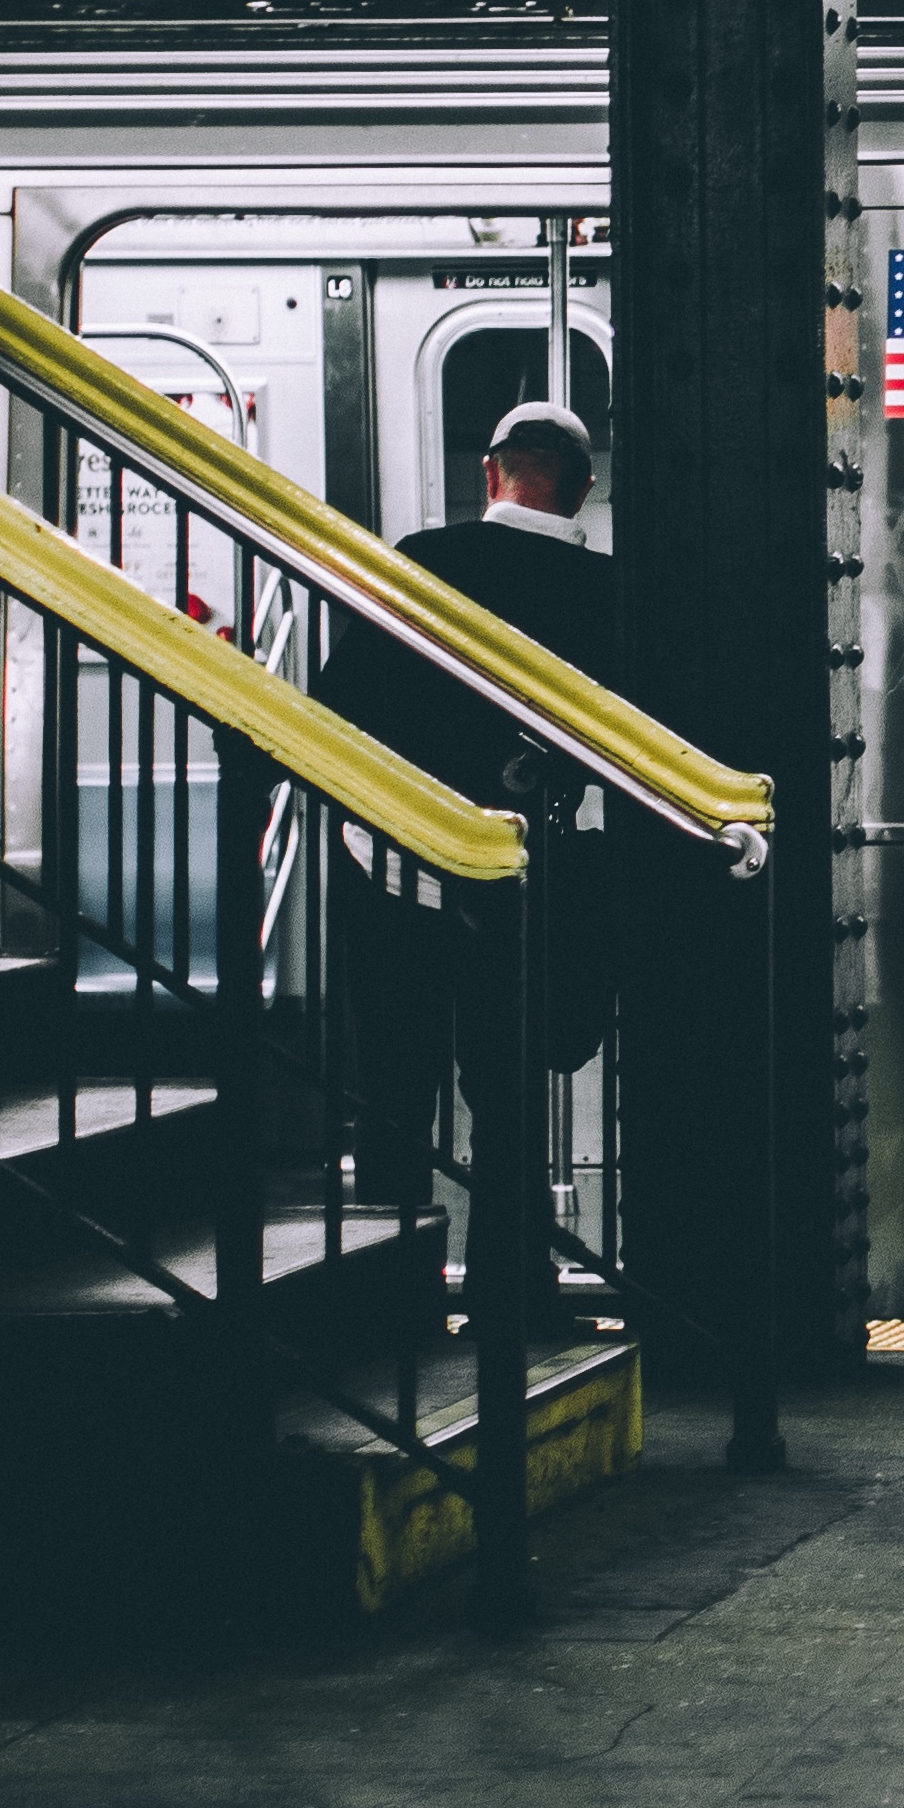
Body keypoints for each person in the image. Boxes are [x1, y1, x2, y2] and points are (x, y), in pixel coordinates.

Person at [331, 399, 631, 1226]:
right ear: (581, 490)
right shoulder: (609, 593)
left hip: (391, 866)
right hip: (523, 880)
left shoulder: (423, 562)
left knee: (393, 1090)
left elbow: (336, 701)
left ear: (489, 471)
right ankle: (520, 1290)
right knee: (509, 1094)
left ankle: (393, 1301)